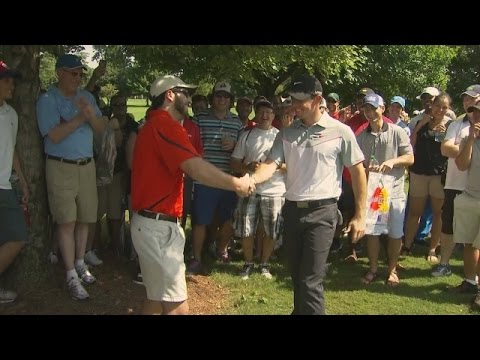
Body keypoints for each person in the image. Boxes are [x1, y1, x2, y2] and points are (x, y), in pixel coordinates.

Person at [130, 75, 252, 315]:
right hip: (157, 229)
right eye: (185, 93)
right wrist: (237, 184)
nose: (190, 99)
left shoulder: (158, 125)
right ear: (170, 95)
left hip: (155, 225)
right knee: (177, 308)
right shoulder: (163, 125)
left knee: (155, 302)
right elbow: (195, 167)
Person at [251, 74, 367, 315]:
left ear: (317, 99)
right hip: (292, 211)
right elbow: (271, 164)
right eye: (291, 100)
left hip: (322, 213)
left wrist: (360, 215)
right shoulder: (286, 132)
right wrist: (250, 179)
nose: (293, 105)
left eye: (299, 100)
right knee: (297, 277)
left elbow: (358, 173)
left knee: (310, 281)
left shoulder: (341, 131)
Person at [37, 54, 106, 300]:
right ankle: (70, 275)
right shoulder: (47, 99)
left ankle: (79, 262)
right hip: (60, 166)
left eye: (81, 74)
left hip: (87, 165)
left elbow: (100, 130)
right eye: (74, 73)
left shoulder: (87, 97)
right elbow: (53, 135)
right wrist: (80, 118)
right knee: (66, 221)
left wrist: (92, 116)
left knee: (85, 218)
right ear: (60, 74)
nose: (78, 78)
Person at [356, 94, 414, 286]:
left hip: (395, 190)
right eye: (366, 108)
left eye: (373, 107)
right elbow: (357, 165)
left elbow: (410, 158)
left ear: (382, 108)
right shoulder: (360, 136)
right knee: (372, 231)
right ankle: (373, 269)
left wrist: (392, 161)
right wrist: (366, 168)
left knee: (395, 233)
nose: (369, 112)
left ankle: (392, 270)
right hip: (373, 191)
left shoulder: (398, 131)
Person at [0, 60, 28, 303]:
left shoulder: (11, 113)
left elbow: (13, 149)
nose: (12, 86)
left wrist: (23, 181)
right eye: (6, 80)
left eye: (12, 80)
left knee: (18, 237)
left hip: (6, 188)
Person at [454, 100, 480, 310]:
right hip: (471, 197)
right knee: (469, 243)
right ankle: (471, 281)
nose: (476, 116)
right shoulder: (467, 137)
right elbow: (461, 165)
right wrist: (471, 139)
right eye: (474, 112)